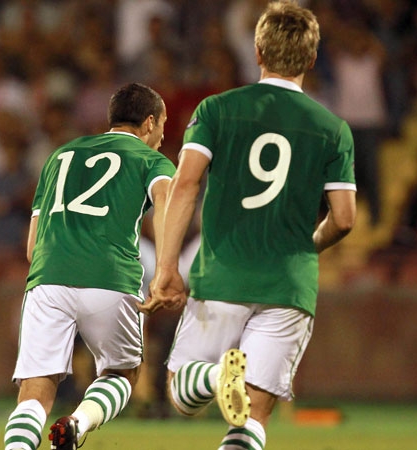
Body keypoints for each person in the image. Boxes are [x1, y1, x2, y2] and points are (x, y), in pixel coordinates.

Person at [144, 2, 357, 449]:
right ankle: (229, 380)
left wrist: (166, 266)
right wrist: (308, 247)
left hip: (223, 275)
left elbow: (185, 185)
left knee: (182, 392)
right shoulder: (333, 129)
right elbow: (343, 218)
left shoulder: (217, 110)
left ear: (258, 51)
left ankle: (218, 373)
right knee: (253, 418)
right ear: (312, 60)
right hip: (288, 285)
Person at [3, 82, 175, 450]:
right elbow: (167, 202)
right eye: (163, 125)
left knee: (36, 388)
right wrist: (165, 269)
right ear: (148, 123)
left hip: (48, 277)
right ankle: (78, 424)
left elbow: (33, 245)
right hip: (111, 278)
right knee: (122, 374)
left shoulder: (59, 156)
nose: (162, 136)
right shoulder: (152, 160)